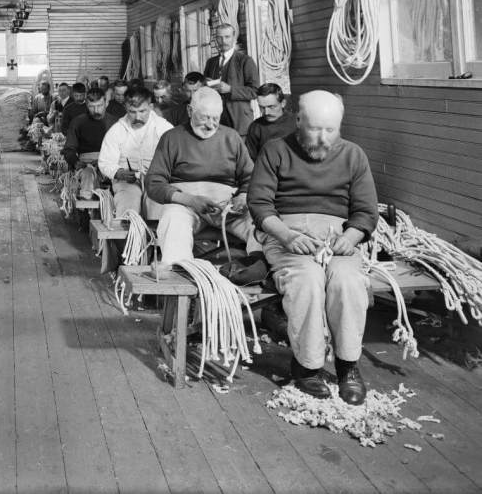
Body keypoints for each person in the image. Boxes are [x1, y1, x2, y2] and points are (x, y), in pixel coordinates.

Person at [248, 90, 378, 405]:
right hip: (287, 234)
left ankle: (348, 365)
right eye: (314, 128)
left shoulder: (353, 155)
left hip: (337, 236)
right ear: (298, 120)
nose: (322, 138)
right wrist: (287, 236)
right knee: (306, 280)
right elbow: (260, 205)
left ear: (340, 126)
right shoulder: (275, 150)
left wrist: (350, 237)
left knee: (348, 282)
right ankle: (307, 365)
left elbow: (365, 211)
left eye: (330, 130)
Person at [145, 87, 256, 264]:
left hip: (228, 208)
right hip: (186, 206)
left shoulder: (232, 137)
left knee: (262, 223)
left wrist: (243, 196)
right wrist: (190, 200)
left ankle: (256, 271)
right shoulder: (172, 138)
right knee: (173, 221)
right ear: (190, 111)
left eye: (215, 118)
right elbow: (153, 183)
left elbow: (251, 178)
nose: (210, 124)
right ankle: (180, 275)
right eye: (204, 117)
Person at [98, 86, 173, 219]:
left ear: (150, 106)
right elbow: (105, 162)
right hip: (126, 181)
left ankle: (156, 236)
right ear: (126, 107)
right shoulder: (117, 131)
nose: (137, 117)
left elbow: (175, 159)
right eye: (132, 112)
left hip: (158, 181)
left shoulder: (164, 128)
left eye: (142, 111)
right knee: (128, 206)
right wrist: (119, 172)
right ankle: (128, 235)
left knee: (158, 209)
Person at [203, 23, 259, 135]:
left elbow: (254, 91)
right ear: (215, 39)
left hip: (239, 120)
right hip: (216, 119)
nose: (223, 41)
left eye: (227, 37)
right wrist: (207, 86)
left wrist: (230, 89)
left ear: (234, 37)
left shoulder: (245, 61)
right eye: (219, 37)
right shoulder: (211, 62)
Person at [63, 88, 117, 170]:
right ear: (86, 105)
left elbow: (124, 150)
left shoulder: (116, 123)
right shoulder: (77, 122)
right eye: (92, 106)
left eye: (99, 105)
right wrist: (75, 162)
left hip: (110, 163)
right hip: (86, 164)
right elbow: (69, 149)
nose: (96, 111)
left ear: (106, 103)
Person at [245, 82, 296, 160]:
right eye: (262, 107)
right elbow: (250, 160)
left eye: (271, 107)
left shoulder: (298, 123)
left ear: (283, 103)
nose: (266, 112)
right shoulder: (255, 127)